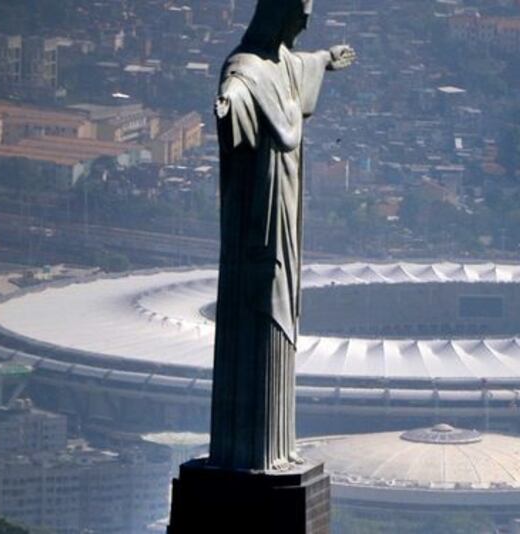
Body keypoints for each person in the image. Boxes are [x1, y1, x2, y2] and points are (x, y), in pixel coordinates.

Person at [208, 0, 355, 472]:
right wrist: (229, 103)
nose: (302, 28)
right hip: (259, 217)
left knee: (283, 308)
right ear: (276, 14)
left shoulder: (285, 62)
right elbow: (240, 86)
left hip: (287, 211)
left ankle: (276, 447)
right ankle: (251, 451)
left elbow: (298, 68)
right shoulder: (246, 68)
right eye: (297, 19)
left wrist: (327, 59)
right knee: (259, 310)